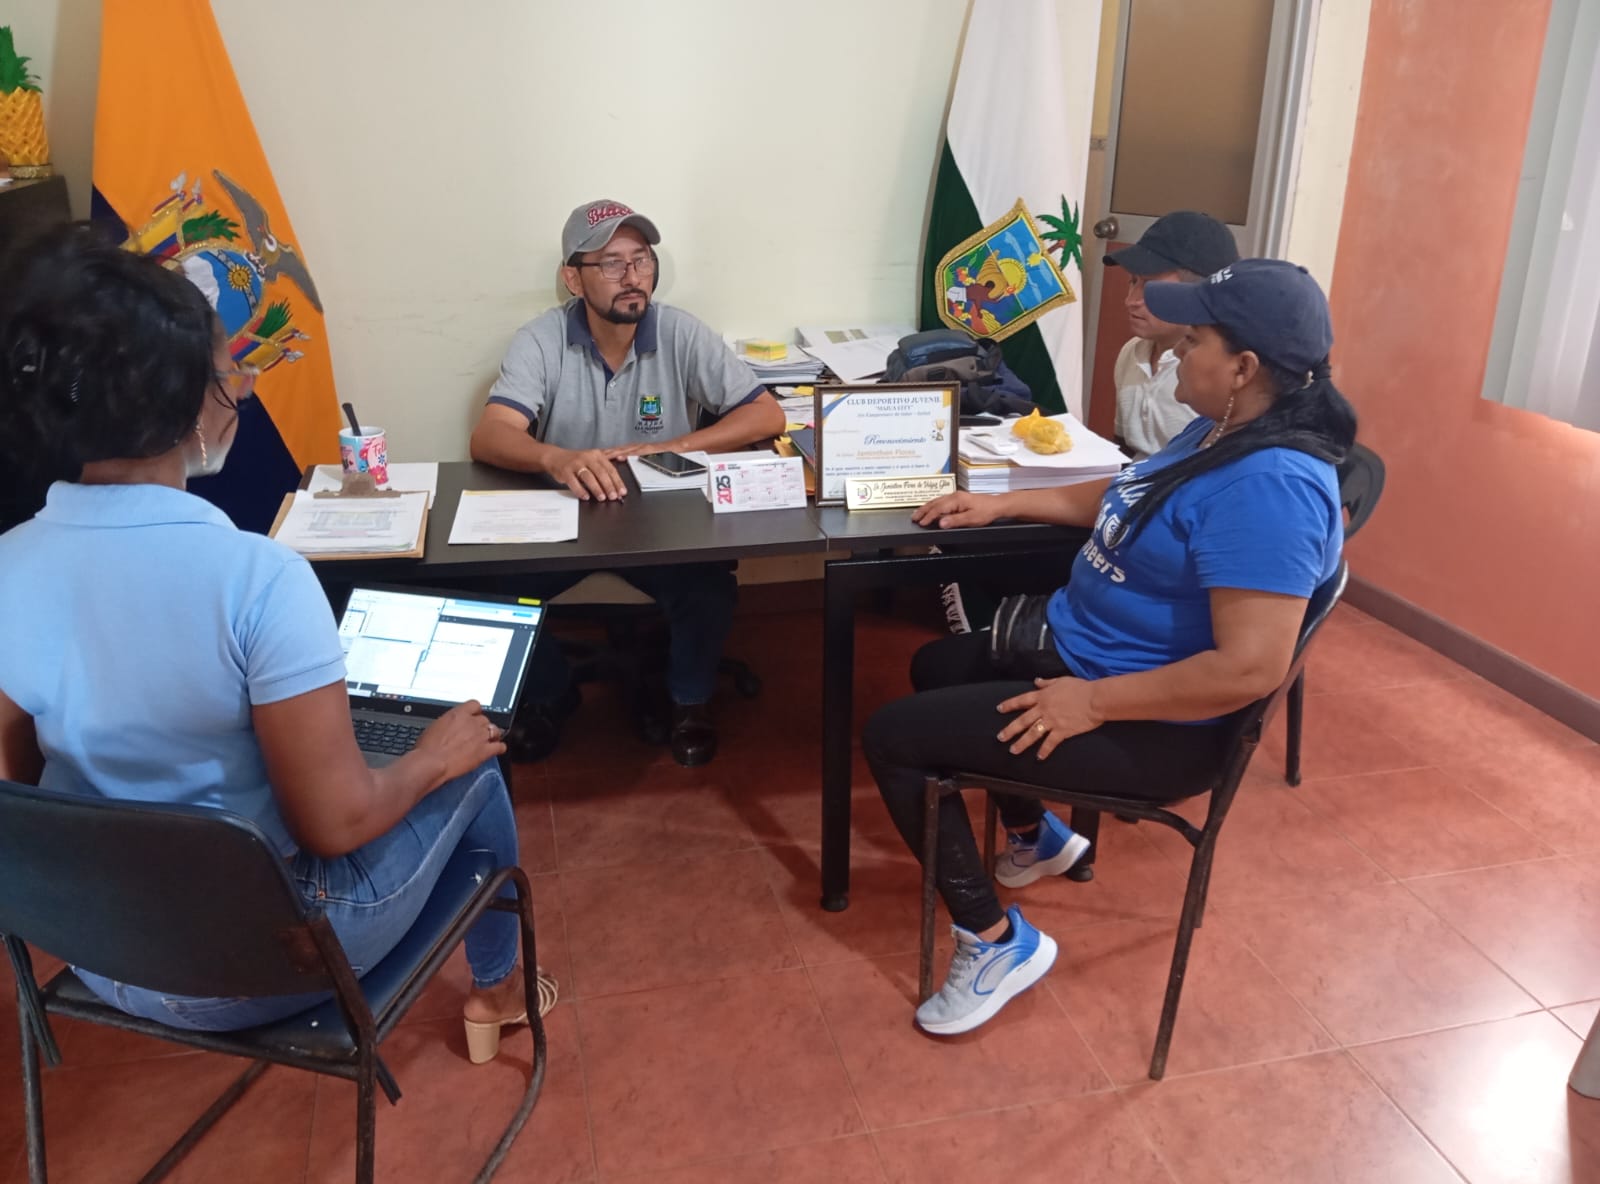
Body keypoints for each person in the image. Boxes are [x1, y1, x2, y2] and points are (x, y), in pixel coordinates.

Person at [0, 224, 545, 1062]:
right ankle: (498, 990)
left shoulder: (9, 563)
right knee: (472, 751)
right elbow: (334, 824)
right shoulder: (258, 578)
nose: (244, 389)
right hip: (262, 964)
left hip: (98, 951)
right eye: (229, 373)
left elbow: (20, 783)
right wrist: (432, 756)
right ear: (180, 401)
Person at [863, 259, 1355, 1036]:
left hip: (1155, 726)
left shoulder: (1272, 487)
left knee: (893, 739)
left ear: (1244, 368)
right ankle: (1034, 838)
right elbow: (1127, 494)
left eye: (1193, 339)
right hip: (1091, 654)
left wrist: (1091, 703)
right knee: (935, 667)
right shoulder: (1221, 429)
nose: (1175, 348)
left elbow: (1251, 667)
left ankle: (995, 943)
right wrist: (1003, 505)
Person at [470, 199, 786, 767]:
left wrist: (672, 446)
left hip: (665, 520)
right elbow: (490, 435)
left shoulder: (679, 331)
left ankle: (689, 701)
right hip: (569, 516)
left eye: (641, 260)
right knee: (489, 584)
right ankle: (549, 693)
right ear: (573, 278)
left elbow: (766, 415)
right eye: (611, 263)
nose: (632, 276)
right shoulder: (541, 339)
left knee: (708, 586)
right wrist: (556, 458)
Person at [1105, 210, 1238, 456]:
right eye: (1133, 282)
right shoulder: (1132, 352)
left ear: (1198, 292)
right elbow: (1125, 449)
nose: (1131, 301)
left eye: (1151, 287)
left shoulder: (1216, 374)